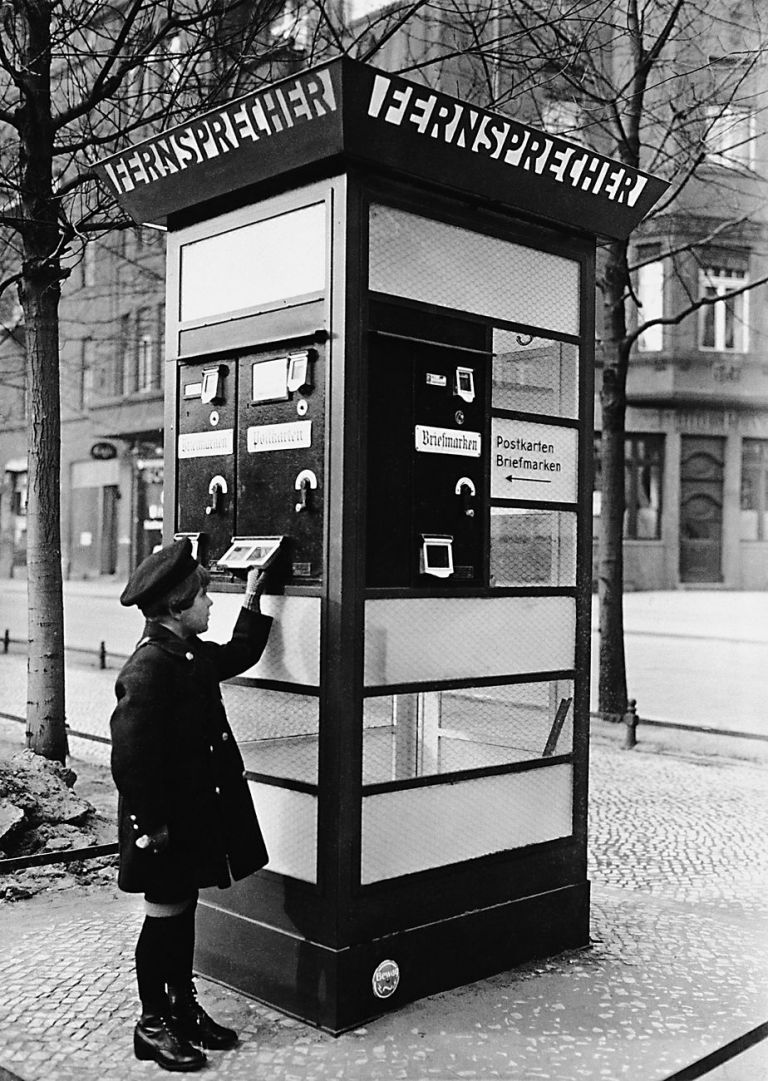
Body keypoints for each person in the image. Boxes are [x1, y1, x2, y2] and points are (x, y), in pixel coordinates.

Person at [110, 536, 275, 1072]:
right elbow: (131, 762)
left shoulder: (183, 652)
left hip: (185, 825)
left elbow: (238, 653)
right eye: (204, 597)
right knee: (162, 921)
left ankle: (182, 1008)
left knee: (181, 917)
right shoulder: (148, 668)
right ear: (179, 608)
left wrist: (253, 598)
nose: (211, 604)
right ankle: (151, 1024)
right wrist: (151, 828)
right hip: (161, 830)